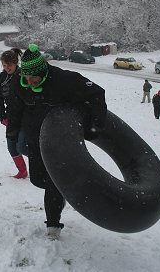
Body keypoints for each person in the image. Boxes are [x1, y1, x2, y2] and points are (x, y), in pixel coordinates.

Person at [11, 43, 107, 240]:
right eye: (26, 78)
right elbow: (16, 110)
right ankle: (58, 194)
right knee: (39, 179)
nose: (29, 82)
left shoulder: (64, 80)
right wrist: (12, 135)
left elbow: (97, 93)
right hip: (35, 137)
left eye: (34, 78)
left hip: (60, 141)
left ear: (43, 72)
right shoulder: (19, 83)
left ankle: (53, 224)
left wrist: (95, 126)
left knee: (54, 181)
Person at [0, 48, 28, 179]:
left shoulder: (23, 76)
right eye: (4, 65)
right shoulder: (1, 78)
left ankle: (45, 163)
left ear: (16, 63)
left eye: (9, 65)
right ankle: (22, 171)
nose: (7, 68)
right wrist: (2, 116)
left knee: (22, 147)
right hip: (11, 117)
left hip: (25, 118)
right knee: (11, 148)